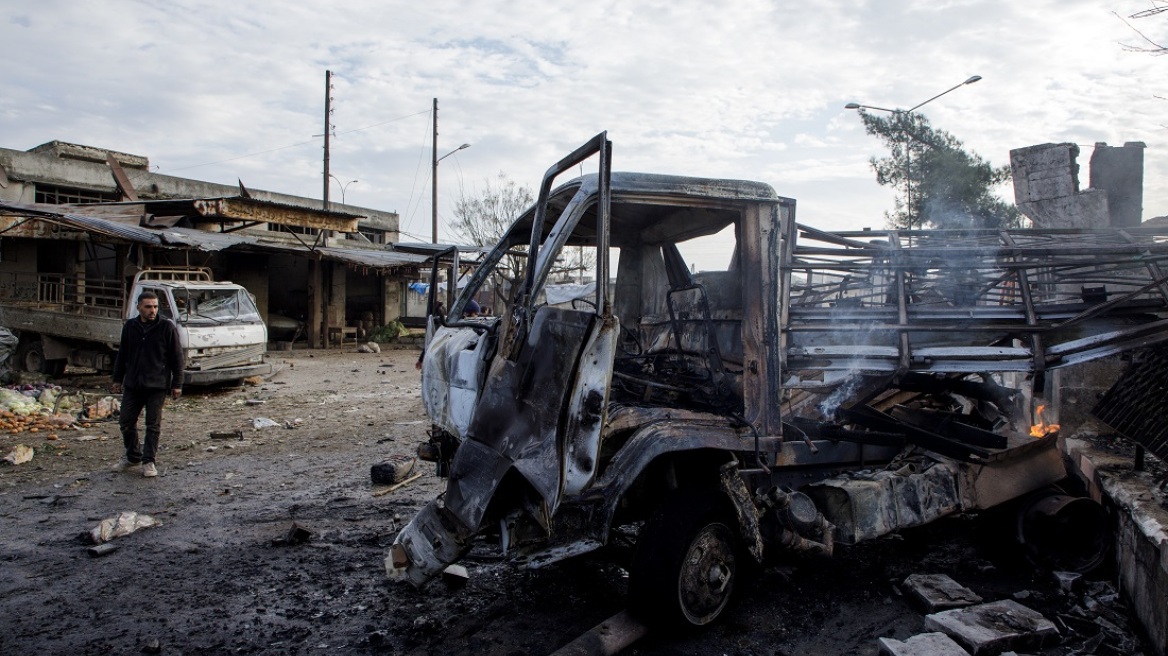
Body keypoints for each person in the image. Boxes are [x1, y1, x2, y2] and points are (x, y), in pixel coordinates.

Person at [111, 291, 184, 478]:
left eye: (155, 307)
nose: (152, 310)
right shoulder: (130, 327)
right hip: (134, 384)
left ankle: (149, 461)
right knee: (126, 421)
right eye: (148, 307)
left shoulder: (166, 328)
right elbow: (122, 355)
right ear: (138, 307)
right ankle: (133, 456)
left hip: (157, 384)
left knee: (153, 425)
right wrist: (117, 380)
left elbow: (177, 358)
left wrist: (177, 384)